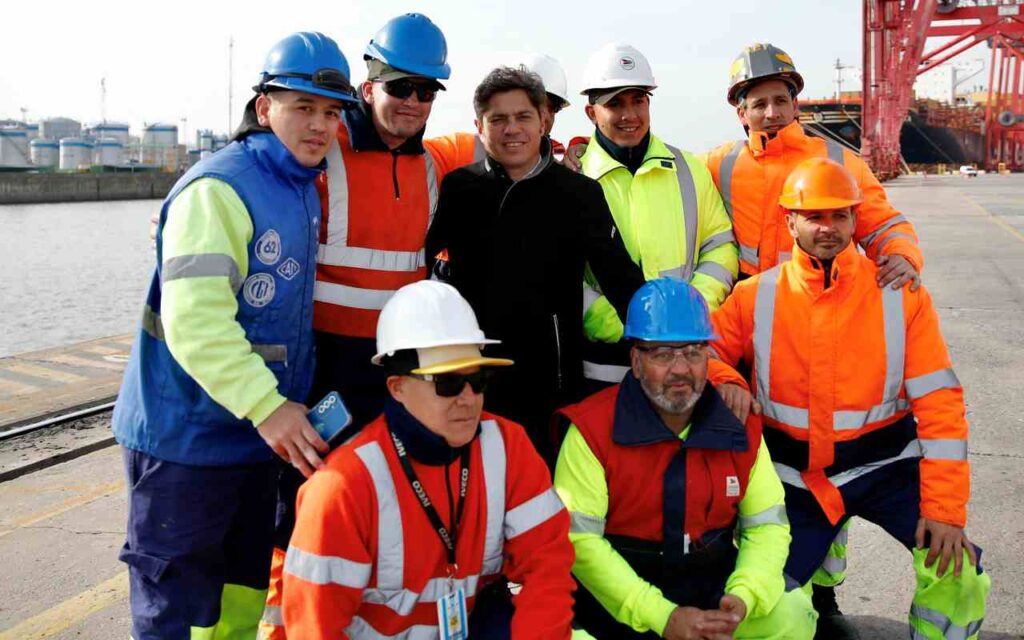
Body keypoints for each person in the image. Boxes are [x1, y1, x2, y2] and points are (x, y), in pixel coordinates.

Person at [111, 32, 357, 639]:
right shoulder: (219, 189)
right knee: (176, 612)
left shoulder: (299, 186)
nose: (320, 125)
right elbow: (196, 324)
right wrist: (268, 407)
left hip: (251, 441)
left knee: (238, 602)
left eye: (332, 113)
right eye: (303, 107)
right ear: (264, 107)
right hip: (186, 441)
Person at [260, 13, 481, 640]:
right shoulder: (323, 148)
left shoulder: (432, 167)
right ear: (368, 86)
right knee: (304, 503)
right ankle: (286, 626)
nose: (413, 101)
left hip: (395, 373)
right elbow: (257, 160)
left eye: (426, 90)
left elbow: (508, 139)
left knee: (388, 500)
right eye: (400, 87)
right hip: (322, 366)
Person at [710, 158, 990, 640]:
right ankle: (820, 573)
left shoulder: (900, 296)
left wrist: (945, 513)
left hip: (887, 470)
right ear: (789, 222)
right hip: (795, 480)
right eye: (814, 216)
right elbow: (707, 349)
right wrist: (726, 378)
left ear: (855, 219)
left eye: (839, 215)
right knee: (768, 608)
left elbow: (940, 405)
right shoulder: (755, 295)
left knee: (958, 572)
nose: (828, 227)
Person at [282, 280, 575, 638]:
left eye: (478, 380)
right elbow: (314, 627)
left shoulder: (508, 445)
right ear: (397, 387)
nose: (467, 398)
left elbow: (547, 567)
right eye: (447, 383)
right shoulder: (342, 486)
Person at [553, 278, 815, 640]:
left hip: (709, 594)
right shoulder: (591, 430)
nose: (680, 369)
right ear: (636, 361)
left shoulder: (740, 429)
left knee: (793, 615)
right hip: (614, 606)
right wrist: (663, 616)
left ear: (708, 357)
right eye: (663, 354)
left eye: (693, 352)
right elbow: (581, 543)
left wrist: (743, 596)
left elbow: (766, 526)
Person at [425, 65, 645, 461]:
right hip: (473, 381)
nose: (512, 129)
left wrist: (661, 345)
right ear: (479, 126)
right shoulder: (459, 189)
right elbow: (423, 268)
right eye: (498, 119)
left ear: (543, 121)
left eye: (523, 116)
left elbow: (622, 280)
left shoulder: (579, 193)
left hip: (553, 382)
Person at [574, 42, 738, 391]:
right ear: (591, 113)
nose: (629, 115)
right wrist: (623, 324)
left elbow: (720, 246)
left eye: (638, 100)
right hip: (606, 363)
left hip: (684, 351)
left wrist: (690, 310)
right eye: (615, 104)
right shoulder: (574, 179)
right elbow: (564, 275)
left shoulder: (689, 169)